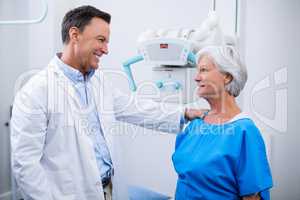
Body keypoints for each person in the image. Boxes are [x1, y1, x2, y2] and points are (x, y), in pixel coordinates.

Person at [10, 5, 201, 200]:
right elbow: (25, 165)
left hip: (107, 190)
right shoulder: (36, 92)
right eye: (101, 40)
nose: (106, 50)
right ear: (75, 35)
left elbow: (135, 108)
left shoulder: (99, 82)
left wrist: (184, 112)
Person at [172, 45, 273, 200]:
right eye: (197, 71)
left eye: (204, 70)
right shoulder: (195, 124)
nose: (196, 77)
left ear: (227, 76)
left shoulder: (244, 132)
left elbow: (252, 197)